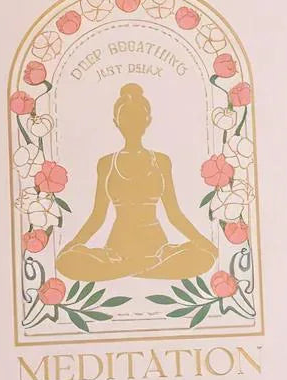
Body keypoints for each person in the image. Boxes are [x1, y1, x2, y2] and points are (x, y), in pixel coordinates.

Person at [57, 83, 217, 283]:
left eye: (138, 117)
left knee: (203, 257)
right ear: (116, 122)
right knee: (67, 261)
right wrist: (72, 245)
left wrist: (201, 241)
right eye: (126, 117)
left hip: (157, 245)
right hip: (118, 248)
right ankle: (142, 267)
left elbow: (174, 214)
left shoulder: (161, 161)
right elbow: (97, 217)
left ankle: (134, 268)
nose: (132, 123)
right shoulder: (106, 164)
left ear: (147, 121)